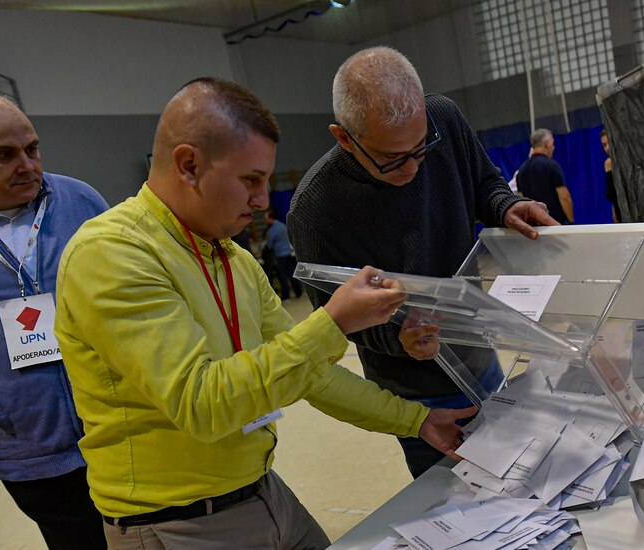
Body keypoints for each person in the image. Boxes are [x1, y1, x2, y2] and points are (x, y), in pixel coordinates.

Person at [54, 77, 475, 550]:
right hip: (177, 524)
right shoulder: (112, 254)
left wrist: (416, 420)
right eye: (250, 180)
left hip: (264, 493)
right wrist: (332, 323)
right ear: (189, 164)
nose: (261, 200)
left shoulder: (232, 259)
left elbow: (311, 375)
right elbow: (202, 404)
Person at [287, 46, 558, 478]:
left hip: (477, 350)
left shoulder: (444, 119)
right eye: (393, 159)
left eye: (422, 148)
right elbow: (336, 320)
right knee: (457, 500)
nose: (414, 167)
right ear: (345, 138)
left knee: (521, 475)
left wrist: (505, 205)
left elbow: (485, 181)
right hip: (414, 393)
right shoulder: (315, 211)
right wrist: (400, 340)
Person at [0, 89, 109, 549]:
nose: (28, 165)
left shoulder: (81, 201)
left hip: (117, 425)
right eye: (4, 155)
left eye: (32, 148)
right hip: (30, 451)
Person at [516, 128, 574, 224]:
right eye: (552, 143)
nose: (554, 147)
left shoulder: (521, 170)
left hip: (534, 227)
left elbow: (522, 198)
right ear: (547, 144)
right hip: (555, 223)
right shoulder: (552, 166)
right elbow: (564, 196)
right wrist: (571, 220)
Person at [263, 209, 302, 300]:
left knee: (282, 276)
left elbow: (269, 245)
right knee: (292, 274)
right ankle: (298, 292)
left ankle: (286, 294)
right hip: (288, 253)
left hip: (279, 255)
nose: (264, 220)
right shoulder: (283, 225)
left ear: (270, 218)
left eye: (265, 218)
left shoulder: (272, 230)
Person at [601, 129, 620, 223]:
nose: (607, 148)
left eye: (609, 142)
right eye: (604, 145)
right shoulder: (609, 163)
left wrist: (609, 171)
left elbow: (612, 194)